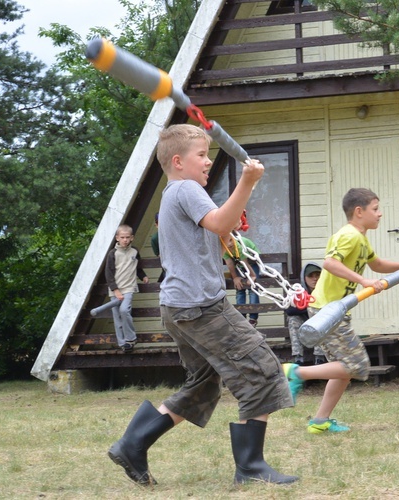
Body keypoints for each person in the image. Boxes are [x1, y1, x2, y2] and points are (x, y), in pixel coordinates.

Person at [107, 124, 297, 486]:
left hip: (178, 308)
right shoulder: (187, 188)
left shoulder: (173, 193)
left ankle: (133, 444)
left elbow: (218, 231)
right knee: (262, 369)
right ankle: (251, 467)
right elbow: (219, 221)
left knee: (204, 384)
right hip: (201, 307)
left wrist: (229, 225)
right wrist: (249, 181)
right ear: (178, 162)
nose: (208, 161)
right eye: (201, 155)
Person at [281, 188, 399, 433]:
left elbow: (376, 264)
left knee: (343, 368)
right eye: (375, 209)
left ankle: (320, 421)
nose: (380, 214)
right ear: (359, 212)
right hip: (328, 310)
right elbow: (330, 263)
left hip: (332, 309)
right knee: (356, 365)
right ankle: (296, 372)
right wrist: (363, 281)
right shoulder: (349, 235)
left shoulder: (361, 238)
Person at [104, 224, 148, 353]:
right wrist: (115, 290)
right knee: (117, 317)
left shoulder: (134, 251)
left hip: (129, 288)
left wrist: (143, 276)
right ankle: (123, 344)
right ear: (117, 238)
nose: (125, 240)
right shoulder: (113, 254)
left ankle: (131, 338)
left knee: (124, 310)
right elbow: (108, 273)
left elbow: (137, 267)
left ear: (132, 238)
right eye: (122, 237)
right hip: (115, 289)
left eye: (127, 237)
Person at [285, 262, 326, 365]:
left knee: (320, 317)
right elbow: (289, 311)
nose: (315, 279)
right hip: (305, 326)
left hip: (322, 328)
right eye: (311, 276)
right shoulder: (299, 291)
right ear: (304, 278)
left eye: (317, 275)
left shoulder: (326, 291)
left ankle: (319, 357)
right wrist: (310, 306)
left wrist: (305, 307)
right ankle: (298, 357)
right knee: (293, 319)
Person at [223, 234, 261, 326]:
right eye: (227, 241)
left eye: (231, 240)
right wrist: (235, 277)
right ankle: (241, 316)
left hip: (252, 262)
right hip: (239, 264)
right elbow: (229, 264)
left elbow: (245, 262)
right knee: (240, 288)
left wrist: (252, 275)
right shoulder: (223, 248)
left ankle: (253, 318)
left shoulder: (239, 244)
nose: (230, 244)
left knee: (252, 287)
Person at [151, 212, 166, 283]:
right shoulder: (155, 239)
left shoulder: (176, 235)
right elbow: (160, 255)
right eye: (160, 222)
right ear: (156, 225)